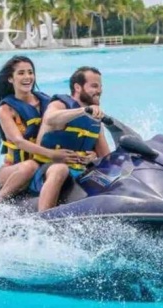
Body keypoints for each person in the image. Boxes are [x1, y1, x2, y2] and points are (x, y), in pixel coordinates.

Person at [0, 55, 80, 202]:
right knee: (30, 166)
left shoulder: (48, 102)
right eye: (21, 73)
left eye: (30, 72)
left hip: (45, 164)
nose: (27, 77)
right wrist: (52, 154)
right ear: (11, 79)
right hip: (14, 169)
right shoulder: (5, 110)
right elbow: (19, 142)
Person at [31, 66, 111, 212]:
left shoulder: (95, 120)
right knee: (60, 169)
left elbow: (106, 158)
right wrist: (83, 111)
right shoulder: (60, 105)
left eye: (100, 86)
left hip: (79, 172)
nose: (99, 91)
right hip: (47, 169)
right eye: (94, 86)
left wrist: (93, 158)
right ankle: (42, 219)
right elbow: (49, 118)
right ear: (77, 87)